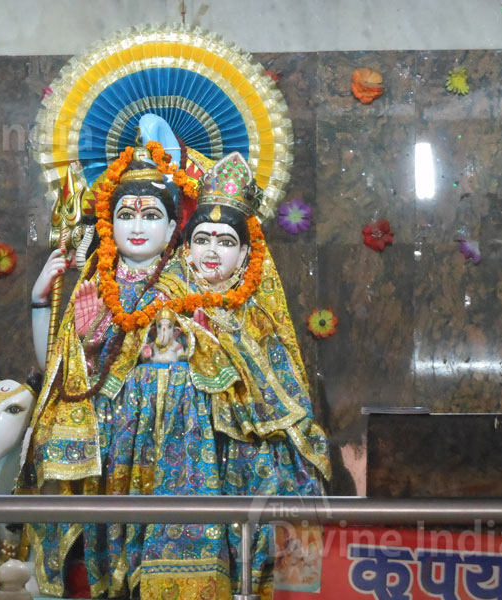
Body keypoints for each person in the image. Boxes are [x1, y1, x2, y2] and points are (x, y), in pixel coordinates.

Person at [19, 147, 241, 599]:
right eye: (126, 215)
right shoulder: (94, 284)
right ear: (109, 223)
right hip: (101, 430)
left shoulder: (190, 282)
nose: (137, 227)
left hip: (171, 434)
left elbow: (220, 362)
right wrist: (42, 301)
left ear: (173, 228)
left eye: (150, 216)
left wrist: (177, 354)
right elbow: (53, 370)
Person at [180, 152, 331, 597]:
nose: (211, 251)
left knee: (288, 484)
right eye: (202, 239)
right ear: (186, 247)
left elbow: (288, 394)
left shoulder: (259, 316)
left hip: (258, 452)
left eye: (225, 242)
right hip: (192, 449)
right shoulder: (166, 305)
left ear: (246, 253)